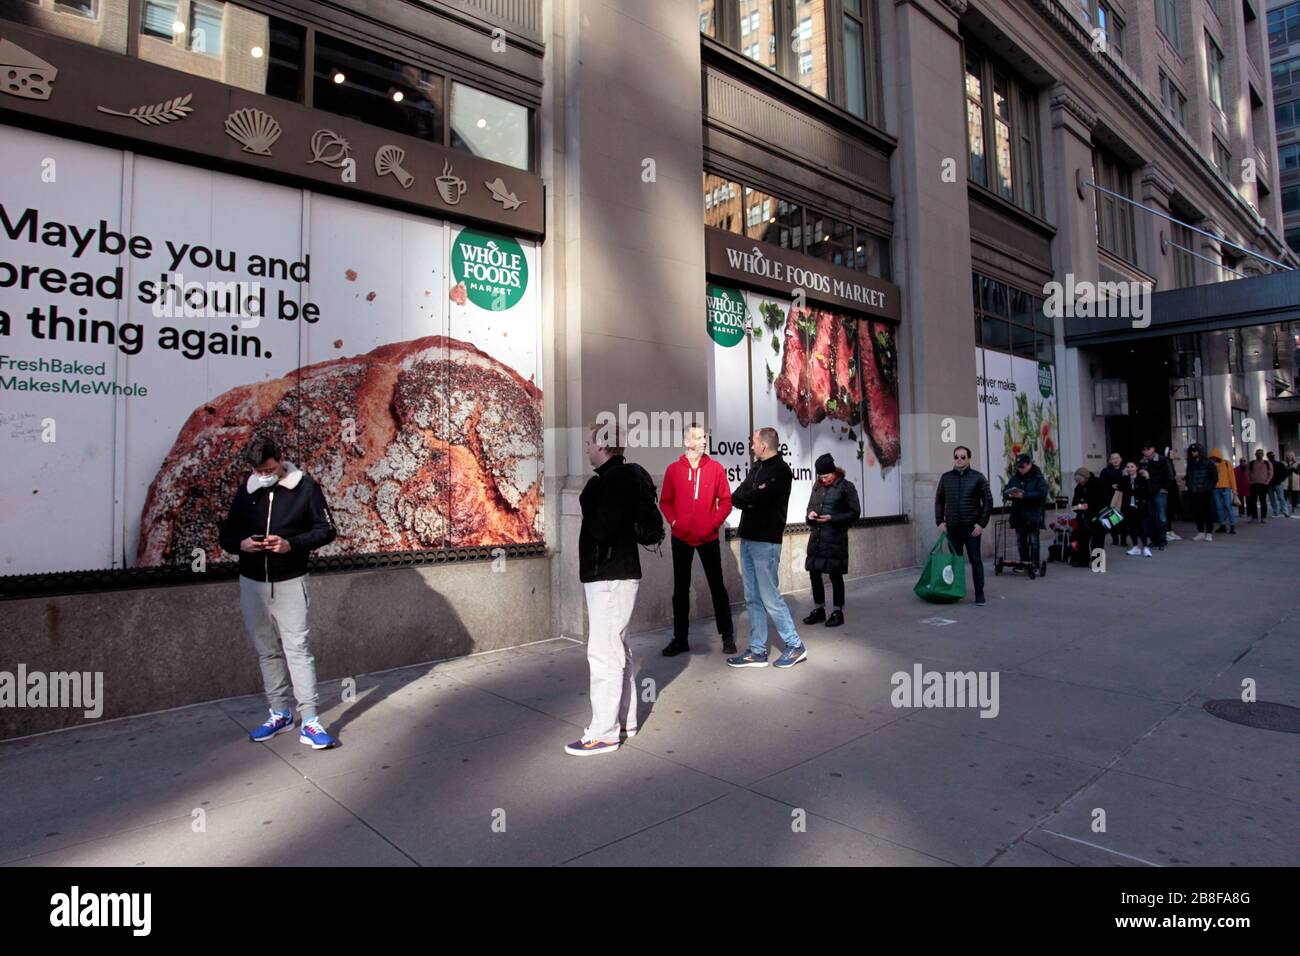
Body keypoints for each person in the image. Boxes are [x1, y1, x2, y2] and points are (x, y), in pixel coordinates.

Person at [218, 436, 339, 750]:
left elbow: (326, 530)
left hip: (290, 581)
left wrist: (290, 544)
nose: (264, 475)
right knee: (266, 650)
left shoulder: (306, 488)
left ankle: (310, 720)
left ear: (281, 459)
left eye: (269, 468)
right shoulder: (248, 491)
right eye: (258, 470)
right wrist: (241, 543)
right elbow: (227, 535)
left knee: (297, 648)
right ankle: (279, 713)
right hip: (252, 582)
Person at [568, 423, 643, 756]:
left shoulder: (609, 482)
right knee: (617, 648)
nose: (586, 449)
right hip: (617, 575)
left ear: (603, 446)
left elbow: (602, 529)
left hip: (610, 577)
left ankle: (604, 732)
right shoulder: (622, 477)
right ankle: (625, 720)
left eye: (589, 443)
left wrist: (586, 498)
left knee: (603, 653)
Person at [727, 428, 807, 669]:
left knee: (770, 597)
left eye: (753, 443)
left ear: (763, 445)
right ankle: (757, 650)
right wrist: (751, 498)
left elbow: (760, 498)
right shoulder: (756, 468)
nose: (751, 447)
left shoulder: (781, 471)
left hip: (766, 542)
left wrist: (751, 498)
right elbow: (738, 496)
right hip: (748, 539)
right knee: (752, 598)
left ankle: (795, 646)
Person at [659, 425, 735, 657]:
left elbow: (726, 502)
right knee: (680, 589)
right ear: (686, 441)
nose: (704, 441)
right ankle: (680, 639)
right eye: (699, 437)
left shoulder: (715, 468)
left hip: (708, 537)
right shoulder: (674, 470)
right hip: (681, 538)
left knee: (717, 587)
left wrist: (712, 524)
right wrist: (674, 523)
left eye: (705, 437)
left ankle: (727, 636)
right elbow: (666, 502)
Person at [802, 453, 861, 627]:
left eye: (826, 476)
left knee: (835, 575)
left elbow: (854, 513)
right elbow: (810, 508)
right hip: (817, 538)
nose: (823, 479)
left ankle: (837, 611)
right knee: (814, 573)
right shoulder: (817, 487)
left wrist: (832, 518)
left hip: (835, 538)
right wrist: (809, 516)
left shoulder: (846, 487)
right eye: (820, 476)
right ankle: (819, 609)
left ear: (834, 472)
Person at [934, 445, 993, 605]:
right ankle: (954, 592)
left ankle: (979, 594)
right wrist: (940, 521)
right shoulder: (946, 477)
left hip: (971, 528)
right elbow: (939, 500)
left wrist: (981, 524)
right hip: (952, 527)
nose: (959, 460)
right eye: (956, 457)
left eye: (963, 457)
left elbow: (988, 502)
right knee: (954, 561)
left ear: (969, 458)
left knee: (975, 560)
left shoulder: (978, 477)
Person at [1002, 452, 1048, 576]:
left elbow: (1043, 494)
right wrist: (1009, 494)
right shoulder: (1015, 478)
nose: (1020, 469)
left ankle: (1034, 565)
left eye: (1022, 466)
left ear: (1029, 464)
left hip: (1032, 515)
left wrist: (1025, 495)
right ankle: (1024, 563)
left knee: (1033, 541)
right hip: (1018, 515)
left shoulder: (1038, 478)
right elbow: (1005, 491)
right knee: (1020, 541)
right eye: (1018, 466)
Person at [1069, 467, 1109, 566]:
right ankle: (1083, 560)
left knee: (1097, 541)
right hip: (1082, 518)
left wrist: (1090, 506)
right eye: (1077, 480)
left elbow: (1104, 501)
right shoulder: (1078, 488)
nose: (1079, 482)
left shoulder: (1098, 484)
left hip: (1097, 517)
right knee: (1082, 540)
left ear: (1086, 478)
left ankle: (1097, 562)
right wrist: (1079, 506)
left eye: (1080, 480)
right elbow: (1074, 505)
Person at [1139, 443, 1174, 547]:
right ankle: (1154, 540)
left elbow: (1170, 476)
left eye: (1147, 449)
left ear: (1153, 449)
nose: (1145, 451)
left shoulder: (1162, 460)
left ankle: (1162, 540)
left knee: (1161, 517)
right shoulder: (1143, 462)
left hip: (1160, 491)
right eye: (1144, 449)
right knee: (1150, 517)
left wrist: (1164, 488)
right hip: (1148, 492)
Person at [1183, 443, 1218, 541]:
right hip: (1194, 491)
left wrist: (1208, 488)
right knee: (1197, 513)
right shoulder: (1191, 463)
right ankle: (1201, 532)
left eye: (1195, 451)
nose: (1193, 453)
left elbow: (1214, 477)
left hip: (1204, 491)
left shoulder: (1208, 462)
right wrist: (1189, 485)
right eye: (1191, 451)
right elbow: (1189, 476)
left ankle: (1209, 533)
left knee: (1207, 512)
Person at [1119, 461, 1153, 557]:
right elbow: (1120, 488)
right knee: (1132, 527)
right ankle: (1135, 547)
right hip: (1128, 507)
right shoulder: (1125, 479)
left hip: (1140, 507)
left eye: (1132, 467)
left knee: (1141, 527)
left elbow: (1149, 491)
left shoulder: (1142, 479)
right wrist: (1123, 476)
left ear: (1136, 468)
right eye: (1128, 467)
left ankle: (1146, 547)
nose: (1130, 469)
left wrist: (1147, 478)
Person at [1098, 452, 1125, 546]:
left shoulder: (1125, 469)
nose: (1116, 460)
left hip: (1124, 498)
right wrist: (1111, 486)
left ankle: (1124, 540)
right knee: (1113, 518)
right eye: (1113, 458)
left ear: (1121, 459)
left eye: (1117, 458)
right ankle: (1115, 539)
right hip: (1110, 497)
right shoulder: (1105, 471)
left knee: (1124, 518)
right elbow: (1100, 484)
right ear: (1110, 461)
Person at [1209, 447, 1237, 535]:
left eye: (1214, 457)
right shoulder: (1211, 465)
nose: (1213, 459)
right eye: (1212, 457)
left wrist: (1234, 490)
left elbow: (1232, 477)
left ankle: (1232, 525)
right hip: (1216, 488)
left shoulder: (1226, 464)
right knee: (1219, 508)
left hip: (1225, 488)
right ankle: (1222, 525)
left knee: (1228, 507)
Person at [1247, 449, 1273, 523]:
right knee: (1253, 501)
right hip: (1253, 484)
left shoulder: (1267, 463)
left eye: (1261, 453)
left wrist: (1267, 482)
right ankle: (1254, 517)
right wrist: (1250, 481)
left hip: (1263, 485)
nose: (1259, 455)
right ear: (1255, 454)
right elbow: (1247, 472)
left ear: (1263, 454)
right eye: (1258, 453)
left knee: (1263, 501)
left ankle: (1263, 517)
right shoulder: (1252, 463)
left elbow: (1270, 473)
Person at [1266, 451, 1290, 517]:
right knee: (1272, 499)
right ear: (1268, 457)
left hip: (1277, 483)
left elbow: (1285, 472)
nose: (1272, 457)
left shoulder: (1279, 464)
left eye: (1273, 456)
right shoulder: (1266, 465)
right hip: (1270, 484)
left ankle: (1285, 511)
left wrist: (1281, 479)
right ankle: (1276, 512)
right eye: (1271, 456)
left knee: (1281, 498)